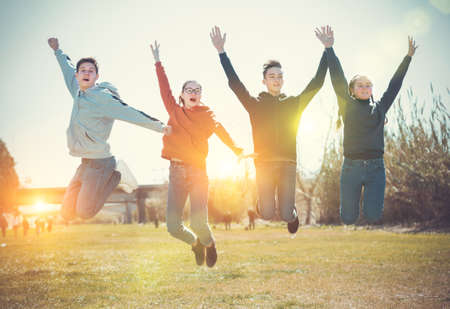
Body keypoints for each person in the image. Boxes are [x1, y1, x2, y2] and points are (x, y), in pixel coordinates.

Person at [210, 26, 328, 234]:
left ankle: (292, 215)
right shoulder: (255, 104)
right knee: (265, 213)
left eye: (280, 76)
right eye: (272, 76)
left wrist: (328, 50)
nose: (276, 79)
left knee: (285, 213)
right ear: (264, 81)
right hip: (264, 164)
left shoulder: (294, 103)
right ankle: (263, 204)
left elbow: (316, 84)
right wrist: (222, 53)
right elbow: (235, 84)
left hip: (287, 163)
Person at [48, 37, 171, 221]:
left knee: (85, 212)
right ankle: (110, 174)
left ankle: (116, 174)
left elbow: (130, 113)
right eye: (82, 70)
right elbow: (67, 68)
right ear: (77, 75)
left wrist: (160, 127)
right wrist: (57, 50)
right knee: (66, 213)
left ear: (97, 76)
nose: (86, 73)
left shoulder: (103, 99)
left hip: (101, 164)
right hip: (84, 162)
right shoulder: (77, 90)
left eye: (91, 71)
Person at [151, 41, 243, 267]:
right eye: (189, 90)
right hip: (176, 171)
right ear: (181, 95)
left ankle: (209, 244)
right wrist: (157, 62)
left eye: (197, 90)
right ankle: (196, 244)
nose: (193, 93)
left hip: (198, 173)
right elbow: (164, 88)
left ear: (200, 96)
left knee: (199, 222)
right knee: (173, 227)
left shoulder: (206, 114)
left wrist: (235, 148)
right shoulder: (174, 110)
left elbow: (219, 129)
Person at [315, 26, 417, 225]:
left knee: (372, 215)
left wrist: (408, 58)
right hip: (351, 167)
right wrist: (329, 49)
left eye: (368, 85)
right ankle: (349, 211)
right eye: (360, 85)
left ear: (372, 90)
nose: (365, 88)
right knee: (348, 218)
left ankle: (370, 207)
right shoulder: (347, 104)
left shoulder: (380, 108)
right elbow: (337, 78)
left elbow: (394, 84)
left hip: (375, 167)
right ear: (352, 90)